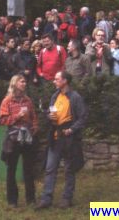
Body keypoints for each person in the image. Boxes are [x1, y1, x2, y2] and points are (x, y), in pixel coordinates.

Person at [36, 71, 87, 210]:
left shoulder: (75, 97)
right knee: (50, 168)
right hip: (56, 137)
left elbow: (83, 117)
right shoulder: (55, 96)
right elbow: (49, 112)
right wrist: (48, 116)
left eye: (57, 79)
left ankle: (67, 198)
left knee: (69, 169)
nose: (54, 81)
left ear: (65, 81)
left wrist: (72, 129)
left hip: (69, 138)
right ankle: (46, 198)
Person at [0, 74, 39, 208]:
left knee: (29, 169)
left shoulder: (28, 100)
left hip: (27, 138)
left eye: (25, 82)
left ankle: (31, 199)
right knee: (11, 170)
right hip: (13, 138)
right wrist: (17, 116)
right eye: (22, 82)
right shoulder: (7, 101)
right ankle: (12, 201)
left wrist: (34, 128)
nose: (24, 84)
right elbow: (3, 120)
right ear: (15, 83)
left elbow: (34, 116)